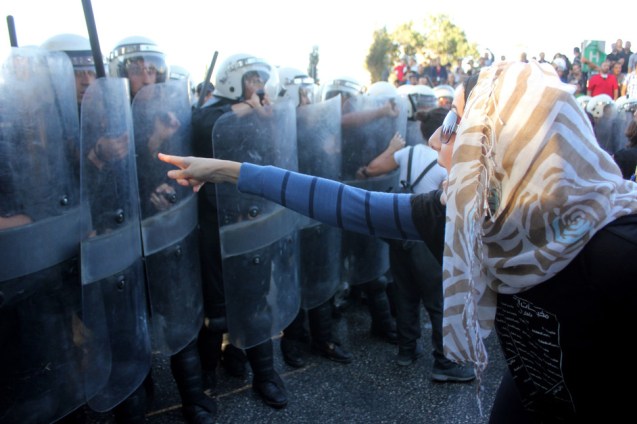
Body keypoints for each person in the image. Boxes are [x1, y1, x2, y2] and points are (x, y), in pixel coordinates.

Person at [159, 60, 637, 423]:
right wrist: (226, 170)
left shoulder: (617, 247)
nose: (435, 141)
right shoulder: (464, 213)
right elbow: (345, 204)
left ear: (507, 143)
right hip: (530, 393)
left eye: (456, 126)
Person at [108, 35, 217, 423]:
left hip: (167, 234)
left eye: (152, 68)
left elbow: (185, 166)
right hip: (122, 240)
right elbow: (100, 184)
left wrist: (171, 190)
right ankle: (136, 397)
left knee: (176, 310)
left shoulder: (174, 114)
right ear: (122, 73)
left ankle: (191, 394)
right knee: (128, 324)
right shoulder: (106, 115)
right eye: (137, 69)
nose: (147, 76)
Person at [190, 52, 289, 409]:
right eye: (253, 78)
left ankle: (264, 374)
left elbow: (278, 151)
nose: (260, 86)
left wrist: (267, 117)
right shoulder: (211, 111)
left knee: (255, 301)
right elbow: (205, 125)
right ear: (235, 79)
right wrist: (251, 109)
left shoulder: (263, 113)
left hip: (251, 218)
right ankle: (204, 378)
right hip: (216, 223)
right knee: (215, 309)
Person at [357, 105, 475, 382]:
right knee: (438, 302)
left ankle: (406, 352)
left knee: (406, 295)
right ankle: (444, 363)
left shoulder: (407, 153)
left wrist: (390, 148)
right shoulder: (446, 162)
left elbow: (369, 170)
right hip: (427, 239)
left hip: (400, 236)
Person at [274, 67, 353, 368]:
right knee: (292, 281)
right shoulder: (275, 126)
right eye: (302, 94)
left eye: (309, 93)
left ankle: (325, 339)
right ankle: (292, 343)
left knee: (320, 278)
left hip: (317, 214)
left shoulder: (318, 123)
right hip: (290, 217)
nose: (308, 99)